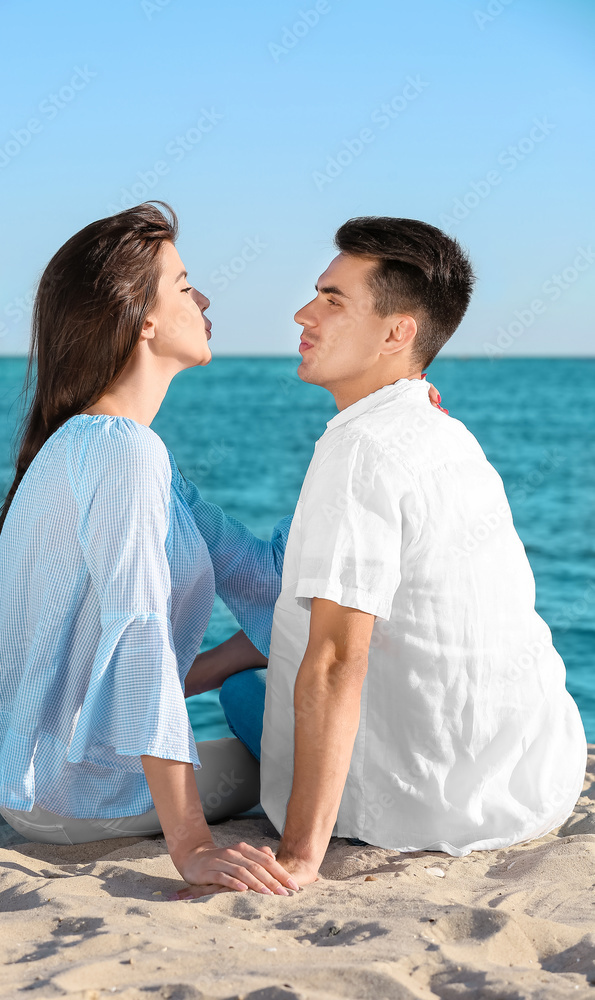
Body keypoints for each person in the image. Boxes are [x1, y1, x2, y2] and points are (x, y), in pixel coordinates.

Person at [215, 215, 588, 891]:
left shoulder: (361, 451)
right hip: (535, 778)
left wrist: (300, 856)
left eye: (333, 299)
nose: (304, 312)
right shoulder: (444, 433)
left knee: (245, 691)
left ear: (396, 333)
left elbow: (333, 661)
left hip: (423, 809)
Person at [0, 201, 300, 897]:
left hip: (45, 780)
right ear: (143, 319)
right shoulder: (123, 453)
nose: (204, 297)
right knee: (302, 754)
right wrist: (193, 845)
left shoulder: (109, 450)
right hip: (75, 798)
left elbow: (268, 577)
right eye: (184, 284)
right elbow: (135, 641)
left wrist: (377, 420)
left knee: (261, 677)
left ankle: (240, 668)